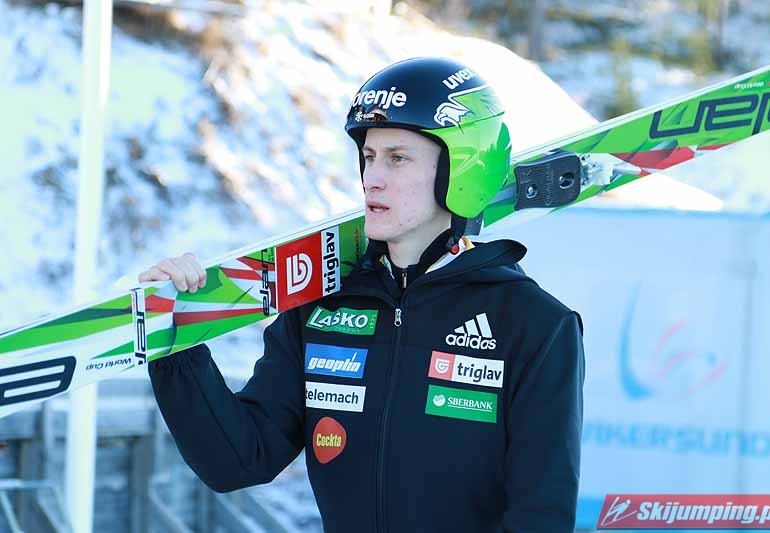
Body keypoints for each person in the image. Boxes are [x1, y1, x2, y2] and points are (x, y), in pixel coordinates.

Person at [142, 57, 585, 533]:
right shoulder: (321, 308)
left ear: (462, 170)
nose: (372, 177)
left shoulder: (534, 325)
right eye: (369, 157)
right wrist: (178, 343)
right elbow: (237, 461)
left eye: (398, 158)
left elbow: (541, 515)